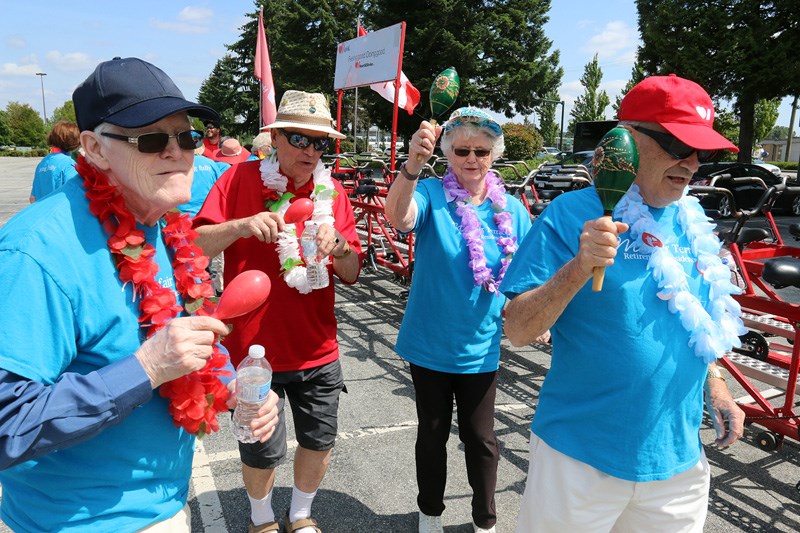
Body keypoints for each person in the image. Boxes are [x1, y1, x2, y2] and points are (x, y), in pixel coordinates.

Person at [0, 57, 279, 532]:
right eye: (150, 139)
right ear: (94, 148)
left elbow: (191, 333)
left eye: (186, 136)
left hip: (167, 506)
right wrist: (146, 369)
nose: (177, 152)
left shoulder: (167, 228)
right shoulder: (37, 251)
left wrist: (230, 386)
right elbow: (8, 421)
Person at [500, 74, 747, 532]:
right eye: (677, 144)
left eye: (703, 151)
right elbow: (516, 330)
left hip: (678, 462)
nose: (692, 162)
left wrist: (715, 383)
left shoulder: (692, 220)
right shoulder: (571, 213)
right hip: (579, 458)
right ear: (628, 139)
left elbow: (695, 322)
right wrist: (579, 266)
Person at [193, 89, 362, 533]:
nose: (310, 150)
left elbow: (352, 271)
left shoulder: (334, 194)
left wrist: (340, 245)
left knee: (319, 440)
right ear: (275, 138)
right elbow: (194, 246)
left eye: (320, 142)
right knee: (261, 448)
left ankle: (301, 514)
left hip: (317, 346)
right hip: (252, 350)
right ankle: (262, 519)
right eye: (299, 138)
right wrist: (241, 226)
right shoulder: (237, 180)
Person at [384, 107, 532, 533]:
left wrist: (532, 314)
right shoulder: (431, 192)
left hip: (481, 345)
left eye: (481, 151)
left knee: (481, 439)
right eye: (462, 149)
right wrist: (412, 164)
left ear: (493, 155)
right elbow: (399, 217)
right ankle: (429, 513)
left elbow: (524, 273)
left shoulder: (513, 210)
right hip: (429, 342)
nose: (471, 158)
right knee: (431, 435)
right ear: (447, 153)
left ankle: (484, 520)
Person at [29, 119, 80, 202]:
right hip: (61, 213)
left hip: (44, 212)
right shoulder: (68, 164)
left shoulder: (42, 163)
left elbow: (32, 198)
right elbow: (74, 195)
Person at [177, 145, 231, 217]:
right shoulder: (211, 163)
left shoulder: (177, 165)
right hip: (207, 215)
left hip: (182, 216)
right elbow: (220, 189)